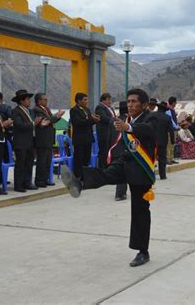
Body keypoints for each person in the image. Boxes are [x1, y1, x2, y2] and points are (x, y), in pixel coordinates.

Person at [61, 88, 157, 267]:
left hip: (141, 170)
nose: (130, 104)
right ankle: (79, 183)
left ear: (144, 105)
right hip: (125, 162)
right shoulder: (126, 120)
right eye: (128, 101)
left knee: (140, 211)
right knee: (105, 174)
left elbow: (148, 130)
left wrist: (128, 127)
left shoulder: (149, 118)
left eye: (134, 101)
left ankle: (143, 251)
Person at [33, 93, 65, 187]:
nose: (46, 101)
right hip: (42, 138)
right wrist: (57, 116)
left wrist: (57, 117)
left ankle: (45, 179)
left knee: (47, 161)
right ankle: (39, 181)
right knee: (42, 161)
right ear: (39, 101)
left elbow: (51, 120)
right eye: (44, 99)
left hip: (49, 138)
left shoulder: (46, 109)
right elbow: (45, 121)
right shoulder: (36, 109)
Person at [12, 90, 41, 192]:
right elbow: (19, 125)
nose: (29, 101)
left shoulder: (29, 111)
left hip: (30, 141)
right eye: (27, 99)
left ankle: (27, 182)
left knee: (29, 163)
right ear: (21, 101)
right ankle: (18, 185)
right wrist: (33, 123)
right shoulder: (16, 111)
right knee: (20, 164)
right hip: (21, 142)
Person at [70, 93, 100, 179]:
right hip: (79, 138)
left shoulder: (87, 109)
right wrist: (91, 119)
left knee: (86, 157)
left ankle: (85, 175)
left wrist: (95, 120)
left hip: (88, 138)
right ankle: (78, 176)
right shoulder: (74, 110)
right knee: (79, 158)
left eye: (87, 100)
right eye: (84, 100)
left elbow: (89, 122)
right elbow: (78, 122)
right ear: (79, 101)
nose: (86, 102)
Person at [152, 101, 175, 179]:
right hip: (162, 141)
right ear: (165, 110)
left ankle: (151, 174)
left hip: (152, 140)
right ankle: (163, 175)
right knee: (162, 158)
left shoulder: (151, 115)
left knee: (151, 157)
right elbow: (171, 131)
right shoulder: (167, 118)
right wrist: (172, 140)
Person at [95, 93, 116, 169]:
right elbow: (104, 118)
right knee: (103, 152)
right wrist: (115, 120)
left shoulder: (111, 108)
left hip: (111, 133)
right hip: (104, 134)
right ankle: (102, 169)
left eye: (110, 100)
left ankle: (109, 168)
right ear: (103, 100)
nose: (110, 101)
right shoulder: (100, 108)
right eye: (108, 100)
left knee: (108, 152)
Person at [113, 101, 128, 201]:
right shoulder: (127, 121)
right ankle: (120, 194)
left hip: (114, 148)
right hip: (124, 149)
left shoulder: (114, 120)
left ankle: (120, 192)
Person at [166, 97, 179, 165]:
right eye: (175, 102)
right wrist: (176, 126)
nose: (176, 103)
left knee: (173, 144)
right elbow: (170, 120)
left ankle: (171, 158)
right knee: (169, 144)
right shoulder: (168, 110)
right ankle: (168, 159)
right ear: (173, 102)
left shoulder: (172, 110)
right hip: (170, 130)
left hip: (174, 130)